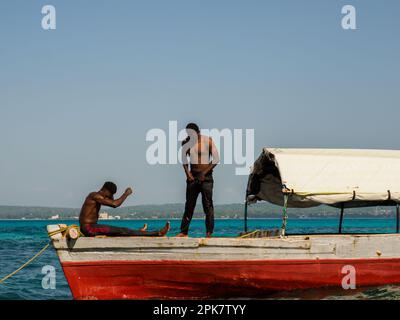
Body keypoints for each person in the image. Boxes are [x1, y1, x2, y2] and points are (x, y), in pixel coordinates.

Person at [79, 182, 170, 237]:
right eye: (110, 194)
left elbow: (113, 201)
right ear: (106, 190)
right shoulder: (95, 196)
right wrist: (126, 194)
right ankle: (157, 233)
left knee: (120, 231)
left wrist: (111, 196)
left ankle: (139, 232)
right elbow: (115, 204)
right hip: (89, 228)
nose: (110, 197)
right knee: (122, 230)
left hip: (91, 227)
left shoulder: (97, 196)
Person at [177, 123, 220, 238]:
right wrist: (187, 173)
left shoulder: (208, 141)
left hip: (206, 178)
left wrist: (204, 173)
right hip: (192, 178)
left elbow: (216, 159)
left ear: (198, 132)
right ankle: (184, 232)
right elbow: (183, 158)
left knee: (208, 205)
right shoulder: (187, 143)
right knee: (189, 205)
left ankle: (209, 232)